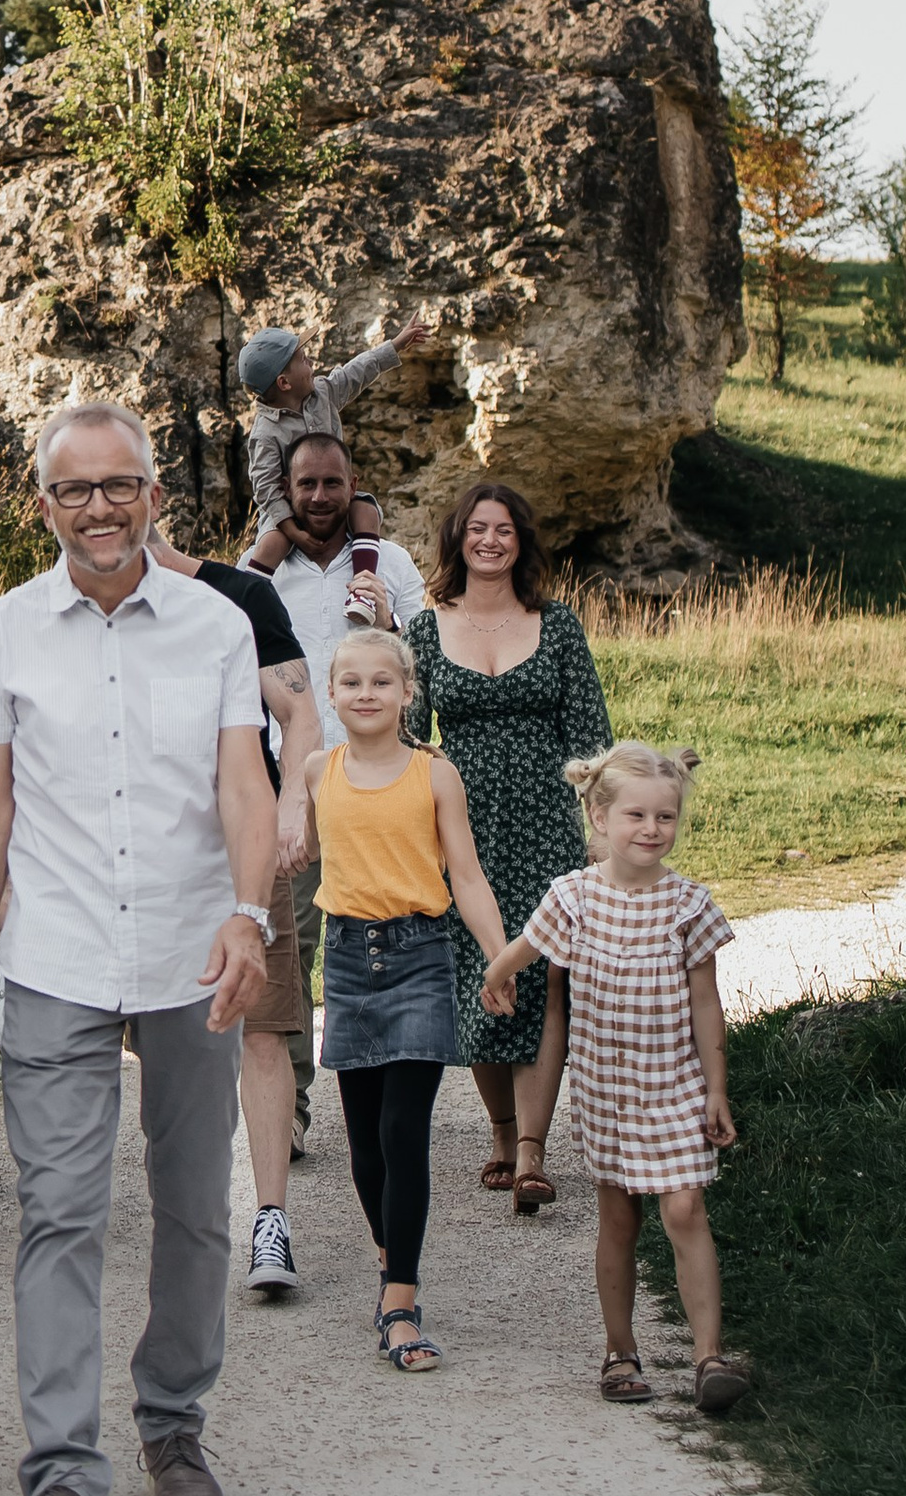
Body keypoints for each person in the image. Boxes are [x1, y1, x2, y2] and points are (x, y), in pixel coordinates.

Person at [0, 402, 279, 1496]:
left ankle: (173, 1423)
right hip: (56, 955)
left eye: (118, 485)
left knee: (194, 1208)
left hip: (195, 953)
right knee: (59, 1214)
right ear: (43, 504)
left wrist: (249, 914)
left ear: (153, 494)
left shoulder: (216, 624)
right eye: (75, 489)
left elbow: (246, 787)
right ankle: (62, 1461)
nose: (99, 507)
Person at [481, 742, 748, 1413]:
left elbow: (706, 1003)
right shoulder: (573, 897)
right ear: (600, 817)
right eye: (637, 815)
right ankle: (620, 1351)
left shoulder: (688, 905)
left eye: (665, 817)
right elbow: (525, 947)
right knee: (619, 1220)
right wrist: (497, 974)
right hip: (607, 1091)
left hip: (675, 1085)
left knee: (685, 1208)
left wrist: (717, 1089)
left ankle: (709, 1357)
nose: (652, 829)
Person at [406, 480, 612, 1214]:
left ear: (521, 542)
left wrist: (600, 830)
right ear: (457, 539)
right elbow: (406, 736)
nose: (490, 541)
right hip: (460, 827)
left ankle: (531, 1150)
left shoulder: (557, 625)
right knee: (478, 974)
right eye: (477, 529)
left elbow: (591, 736)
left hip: (545, 823)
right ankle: (499, 1130)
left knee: (545, 973)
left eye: (504, 530)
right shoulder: (424, 629)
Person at [304, 626, 506, 1371]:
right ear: (332, 694)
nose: (367, 694)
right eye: (352, 682)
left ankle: (399, 1299)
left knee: (401, 1130)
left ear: (407, 693)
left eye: (381, 682)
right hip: (347, 961)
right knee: (363, 1145)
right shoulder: (316, 771)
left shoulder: (435, 775)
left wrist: (498, 958)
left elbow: (468, 876)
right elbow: (303, 848)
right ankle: (392, 1252)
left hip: (421, 956)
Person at [144, 526, 319, 1298]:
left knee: (264, 1027)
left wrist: (294, 805)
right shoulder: (93, 613)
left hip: (245, 837)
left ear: (151, 505)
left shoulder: (243, 595)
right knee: (163, 1036)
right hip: (152, 848)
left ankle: (270, 1219)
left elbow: (300, 712)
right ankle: (185, 1213)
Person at [246, 434, 426, 1163]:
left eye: (331, 482)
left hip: (377, 784)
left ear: (354, 484)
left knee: (382, 935)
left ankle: (382, 1087)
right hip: (289, 781)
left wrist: (390, 624)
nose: (319, 497)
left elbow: (427, 669)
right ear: (286, 490)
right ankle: (289, 1107)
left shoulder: (393, 565)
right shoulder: (260, 571)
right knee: (291, 943)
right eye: (305, 484)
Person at [236, 319, 433, 600]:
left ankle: (362, 591)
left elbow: (357, 371)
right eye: (303, 360)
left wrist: (396, 345)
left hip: (333, 498)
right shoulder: (265, 432)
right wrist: (293, 531)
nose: (311, 364)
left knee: (366, 513)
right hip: (289, 510)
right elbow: (265, 487)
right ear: (284, 382)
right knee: (271, 543)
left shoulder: (323, 393)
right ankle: (248, 600)